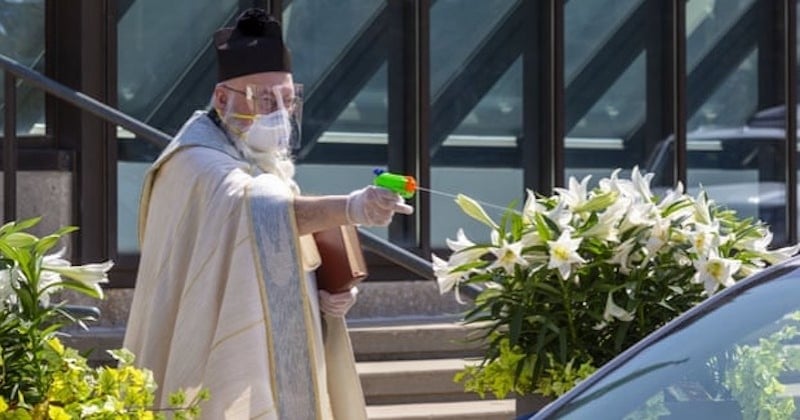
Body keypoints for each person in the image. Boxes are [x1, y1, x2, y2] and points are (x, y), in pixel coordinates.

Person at [123, 8, 413, 420]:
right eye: (264, 99)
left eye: (287, 99)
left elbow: (281, 239)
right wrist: (351, 208)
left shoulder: (257, 159)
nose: (278, 112)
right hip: (211, 341)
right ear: (222, 99)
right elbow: (258, 209)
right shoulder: (194, 162)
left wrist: (324, 290)